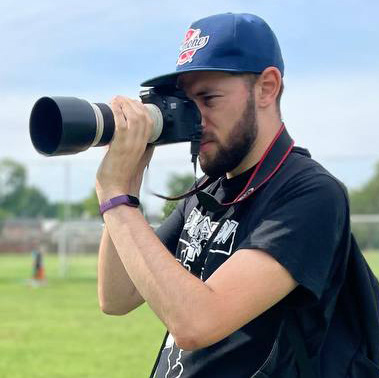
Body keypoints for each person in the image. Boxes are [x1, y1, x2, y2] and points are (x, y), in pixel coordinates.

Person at [95, 13, 354, 377]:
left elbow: (196, 323)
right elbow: (117, 297)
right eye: (187, 102)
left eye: (208, 98)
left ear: (266, 87)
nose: (195, 120)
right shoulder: (205, 193)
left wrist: (114, 196)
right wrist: (128, 187)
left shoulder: (310, 193)